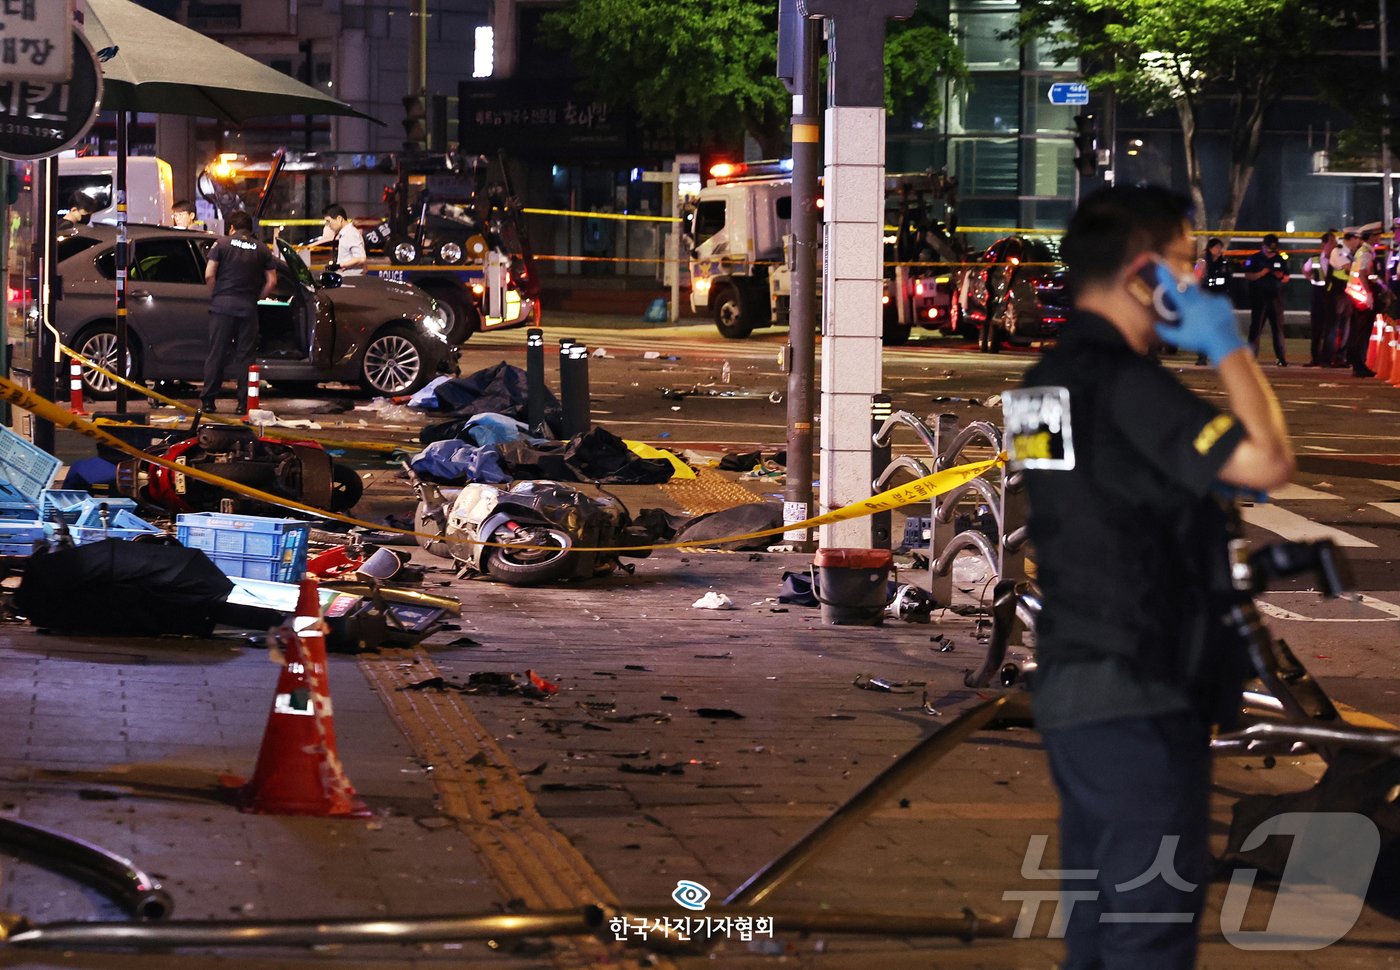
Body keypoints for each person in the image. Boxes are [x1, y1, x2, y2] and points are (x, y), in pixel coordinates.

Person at [1004, 185, 1293, 970]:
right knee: (1149, 936)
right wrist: (1227, 346)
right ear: (1145, 275)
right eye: (1186, 264)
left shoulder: (1038, 381)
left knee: (1098, 929)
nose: (1196, 283)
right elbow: (1271, 459)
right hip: (1140, 689)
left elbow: (1067, 503)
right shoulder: (1131, 384)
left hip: (1070, 681)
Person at [201, 210, 277, 413]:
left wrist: (215, 295)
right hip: (247, 309)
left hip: (222, 307)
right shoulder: (262, 249)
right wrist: (257, 297)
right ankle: (243, 404)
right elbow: (272, 281)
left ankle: (208, 402)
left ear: (231, 228)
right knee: (245, 357)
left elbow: (209, 274)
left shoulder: (222, 244)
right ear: (250, 230)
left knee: (216, 353)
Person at [1244, 233, 1290, 365]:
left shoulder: (1280, 259)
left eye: (1273, 250)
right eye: (1269, 249)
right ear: (1263, 246)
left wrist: (1280, 276)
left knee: (1278, 329)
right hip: (1259, 298)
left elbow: (1287, 277)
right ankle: (1251, 358)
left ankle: (1281, 358)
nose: (1271, 253)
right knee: (1256, 328)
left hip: (1276, 298)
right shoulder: (1254, 258)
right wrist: (1261, 273)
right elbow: (1248, 275)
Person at [1345, 226, 1380, 377]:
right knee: (1361, 333)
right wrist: (1369, 294)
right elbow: (1362, 273)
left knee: (1356, 332)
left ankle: (1357, 364)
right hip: (1361, 299)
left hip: (1355, 296)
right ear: (1371, 236)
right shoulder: (1366, 253)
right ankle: (1359, 365)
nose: (1380, 237)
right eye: (1377, 235)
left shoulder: (1362, 251)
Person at [1190, 236, 1231, 365]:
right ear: (1210, 248)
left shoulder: (1224, 263)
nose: (1218, 250)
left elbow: (1229, 280)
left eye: (1220, 247)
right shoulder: (1203, 262)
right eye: (1216, 247)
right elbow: (1195, 279)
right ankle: (1202, 357)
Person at [1303, 231, 1338, 366]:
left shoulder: (1338, 258)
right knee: (1316, 328)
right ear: (1324, 244)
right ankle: (1315, 358)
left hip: (1333, 295)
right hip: (1318, 295)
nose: (1334, 245)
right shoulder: (1315, 259)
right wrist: (1310, 278)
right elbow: (1305, 269)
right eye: (1332, 242)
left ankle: (1328, 358)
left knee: (1331, 328)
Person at [309, 203, 366, 275]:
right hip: (347, 278)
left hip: (351, 279)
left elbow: (361, 258)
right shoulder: (345, 234)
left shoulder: (351, 234)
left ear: (339, 219)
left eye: (329, 221)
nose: (328, 225)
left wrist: (339, 266)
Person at [1329, 230, 1358, 366]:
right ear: (1350, 238)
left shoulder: (1349, 253)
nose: (1358, 242)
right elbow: (1348, 268)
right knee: (1336, 326)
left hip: (1348, 292)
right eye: (1357, 239)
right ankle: (1333, 356)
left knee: (1346, 325)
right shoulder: (1339, 251)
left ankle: (1342, 355)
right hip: (1339, 292)